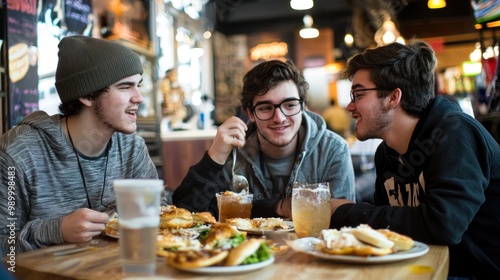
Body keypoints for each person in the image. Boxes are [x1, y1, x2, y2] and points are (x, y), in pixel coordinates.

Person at [325, 40, 500, 279]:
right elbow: (386, 235)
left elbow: (442, 226)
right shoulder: (387, 153)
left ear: (393, 97)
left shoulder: (455, 134)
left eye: (358, 94)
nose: (350, 105)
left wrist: (346, 211)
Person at [0, 36, 161, 255]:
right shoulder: (19, 153)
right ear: (87, 94)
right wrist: (57, 231)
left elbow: (161, 215)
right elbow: (3, 249)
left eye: (138, 86)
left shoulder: (131, 148)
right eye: (125, 87)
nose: (139, 98)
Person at [173, 59, 355, 219]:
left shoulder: (333, 149)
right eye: (266, 108)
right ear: (250, 113)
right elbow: (186, 215)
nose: (279, 118)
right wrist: (213, 158)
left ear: (303, 106)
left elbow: (341, 220)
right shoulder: (232, 151)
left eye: (290, 105)